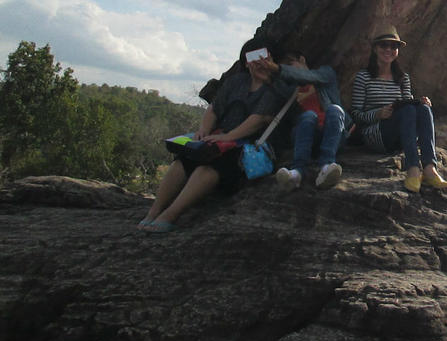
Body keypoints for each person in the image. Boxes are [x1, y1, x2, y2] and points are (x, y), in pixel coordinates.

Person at [138, 38, 281, 233]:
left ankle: (170, 214)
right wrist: (204, 130)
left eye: (264, 57)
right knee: (183, 161)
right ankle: (154, 211)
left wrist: (228, 137)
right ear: (246, 62)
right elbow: (214, 108)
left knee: (210, 167)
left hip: (243, 146)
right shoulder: (236, 82)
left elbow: (257, 120)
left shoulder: (274, 89)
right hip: (218, 137)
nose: (260, 63)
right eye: (254, 58)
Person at [350, 26, 447, 193]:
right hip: (376, 135)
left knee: (423, 109)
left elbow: (407, 104)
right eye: (384, 45)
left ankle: (429, 169)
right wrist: (378, 114)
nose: (389, 50)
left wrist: (421, 102)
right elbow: (355, 114)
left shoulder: (402, 78)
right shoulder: (363, 77)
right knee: (408, 111)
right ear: (375, 48)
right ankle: (412, 169)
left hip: (401, 135)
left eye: (393, 46)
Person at [256, 48, 350, 192]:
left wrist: (277, 68)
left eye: (289, 65)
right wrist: (268, 74)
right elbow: (274, 88)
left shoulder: (325, 74)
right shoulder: (288, 89)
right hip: (306, 137)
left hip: (333, 135)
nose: (286, 71)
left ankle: (326, 166)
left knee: (335, 109)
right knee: (308, 116)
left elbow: (307, 76)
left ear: (302, 60)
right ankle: (297, 173)